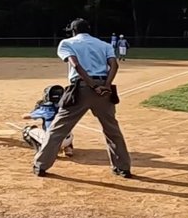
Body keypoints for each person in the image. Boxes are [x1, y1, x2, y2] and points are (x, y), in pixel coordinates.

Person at [32, 18, 132, 178]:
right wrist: (105, 85)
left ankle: (41, 165)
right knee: (112, 130)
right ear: (89, 29)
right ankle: (123, 168)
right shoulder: (104, 44)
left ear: (73, 31)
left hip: (81, 88)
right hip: (104, 91)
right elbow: (114, 65)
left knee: (58, 129)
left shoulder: (67, 43)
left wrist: (92, 85)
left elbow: (76, 65)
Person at [22, 84, 74, 156]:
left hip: (52, 140)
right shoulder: (67, 106)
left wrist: (37, 110)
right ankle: (68, 148)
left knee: (27, 130)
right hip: (68, 139)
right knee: (65, 127)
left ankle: (45, 151)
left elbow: (24, 117)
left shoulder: (46, 108)